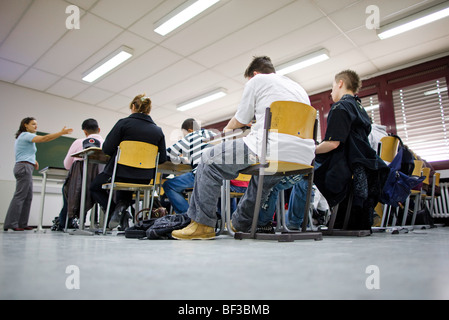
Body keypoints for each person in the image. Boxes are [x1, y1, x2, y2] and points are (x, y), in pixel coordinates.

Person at [171, 56, 315, 240]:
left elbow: (240, 120)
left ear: (254, 74)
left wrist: (227, 130)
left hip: (269, 147)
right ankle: (238, 225)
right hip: (302, 156)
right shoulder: (298, 87)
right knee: (264, 178)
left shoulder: (257, 80)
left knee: (208, 159)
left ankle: (202, 225)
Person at [287, 70, 389, 230]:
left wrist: (310, 149)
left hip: (341, 168)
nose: (331, 91)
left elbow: (332, 144)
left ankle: (294, 224)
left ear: (340, 83)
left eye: (333, 87)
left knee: (302, 174)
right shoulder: (359, 108)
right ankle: (303, 221)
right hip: (358, 167)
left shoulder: (341, 107)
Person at [90, 94, 166, 230]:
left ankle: (117, 212)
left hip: (120, 173)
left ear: (133, 107)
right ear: (148, 110)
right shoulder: (158, 131)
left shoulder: (123, 123)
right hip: (144, 178)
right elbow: (161, 159)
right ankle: (121, 211)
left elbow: (107, 148)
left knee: (94, 186)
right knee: (128, 187)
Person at [3, 117, 73, 231]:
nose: (36, 126)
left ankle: (22, 223)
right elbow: (44, 138)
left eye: (36, 124)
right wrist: (61, 133)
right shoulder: (26, 135)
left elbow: (23, 152)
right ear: (25, 125)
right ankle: (11, 224)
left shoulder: (24, 137)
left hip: (26, 167)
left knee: (28, 197)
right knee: (20, 196)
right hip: (23, 167)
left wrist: (33, 161)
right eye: (33, 124)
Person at [56, 119, 104, 231]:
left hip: (78, 185)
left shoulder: (78, 142)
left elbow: (67, 165)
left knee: (67, 191)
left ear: (85, 132)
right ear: (99, 130)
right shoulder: (105, 144)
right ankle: (97, 223)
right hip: (99, 186)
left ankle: (65, 224)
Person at [163, 118, 217, 214]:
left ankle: (187, 217)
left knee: (168, 185)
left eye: (184, 134)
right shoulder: (213, 134)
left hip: (203, 174)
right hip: (220, 177)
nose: (184, 136)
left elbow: (167, 153)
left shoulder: (191, 136)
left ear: (190, 130)